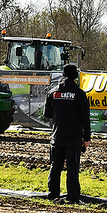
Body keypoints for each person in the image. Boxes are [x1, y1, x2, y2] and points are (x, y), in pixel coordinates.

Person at [44, 63, 91, 204]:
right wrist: (86, 138)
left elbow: (47, 114)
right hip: (74, 138)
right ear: (75, 76)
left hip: (57, 136)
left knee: (55, 166)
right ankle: (73, 197)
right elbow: (85, 118)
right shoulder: (79, 94)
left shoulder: (53, 92)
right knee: (72, 168)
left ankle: (53, 194)